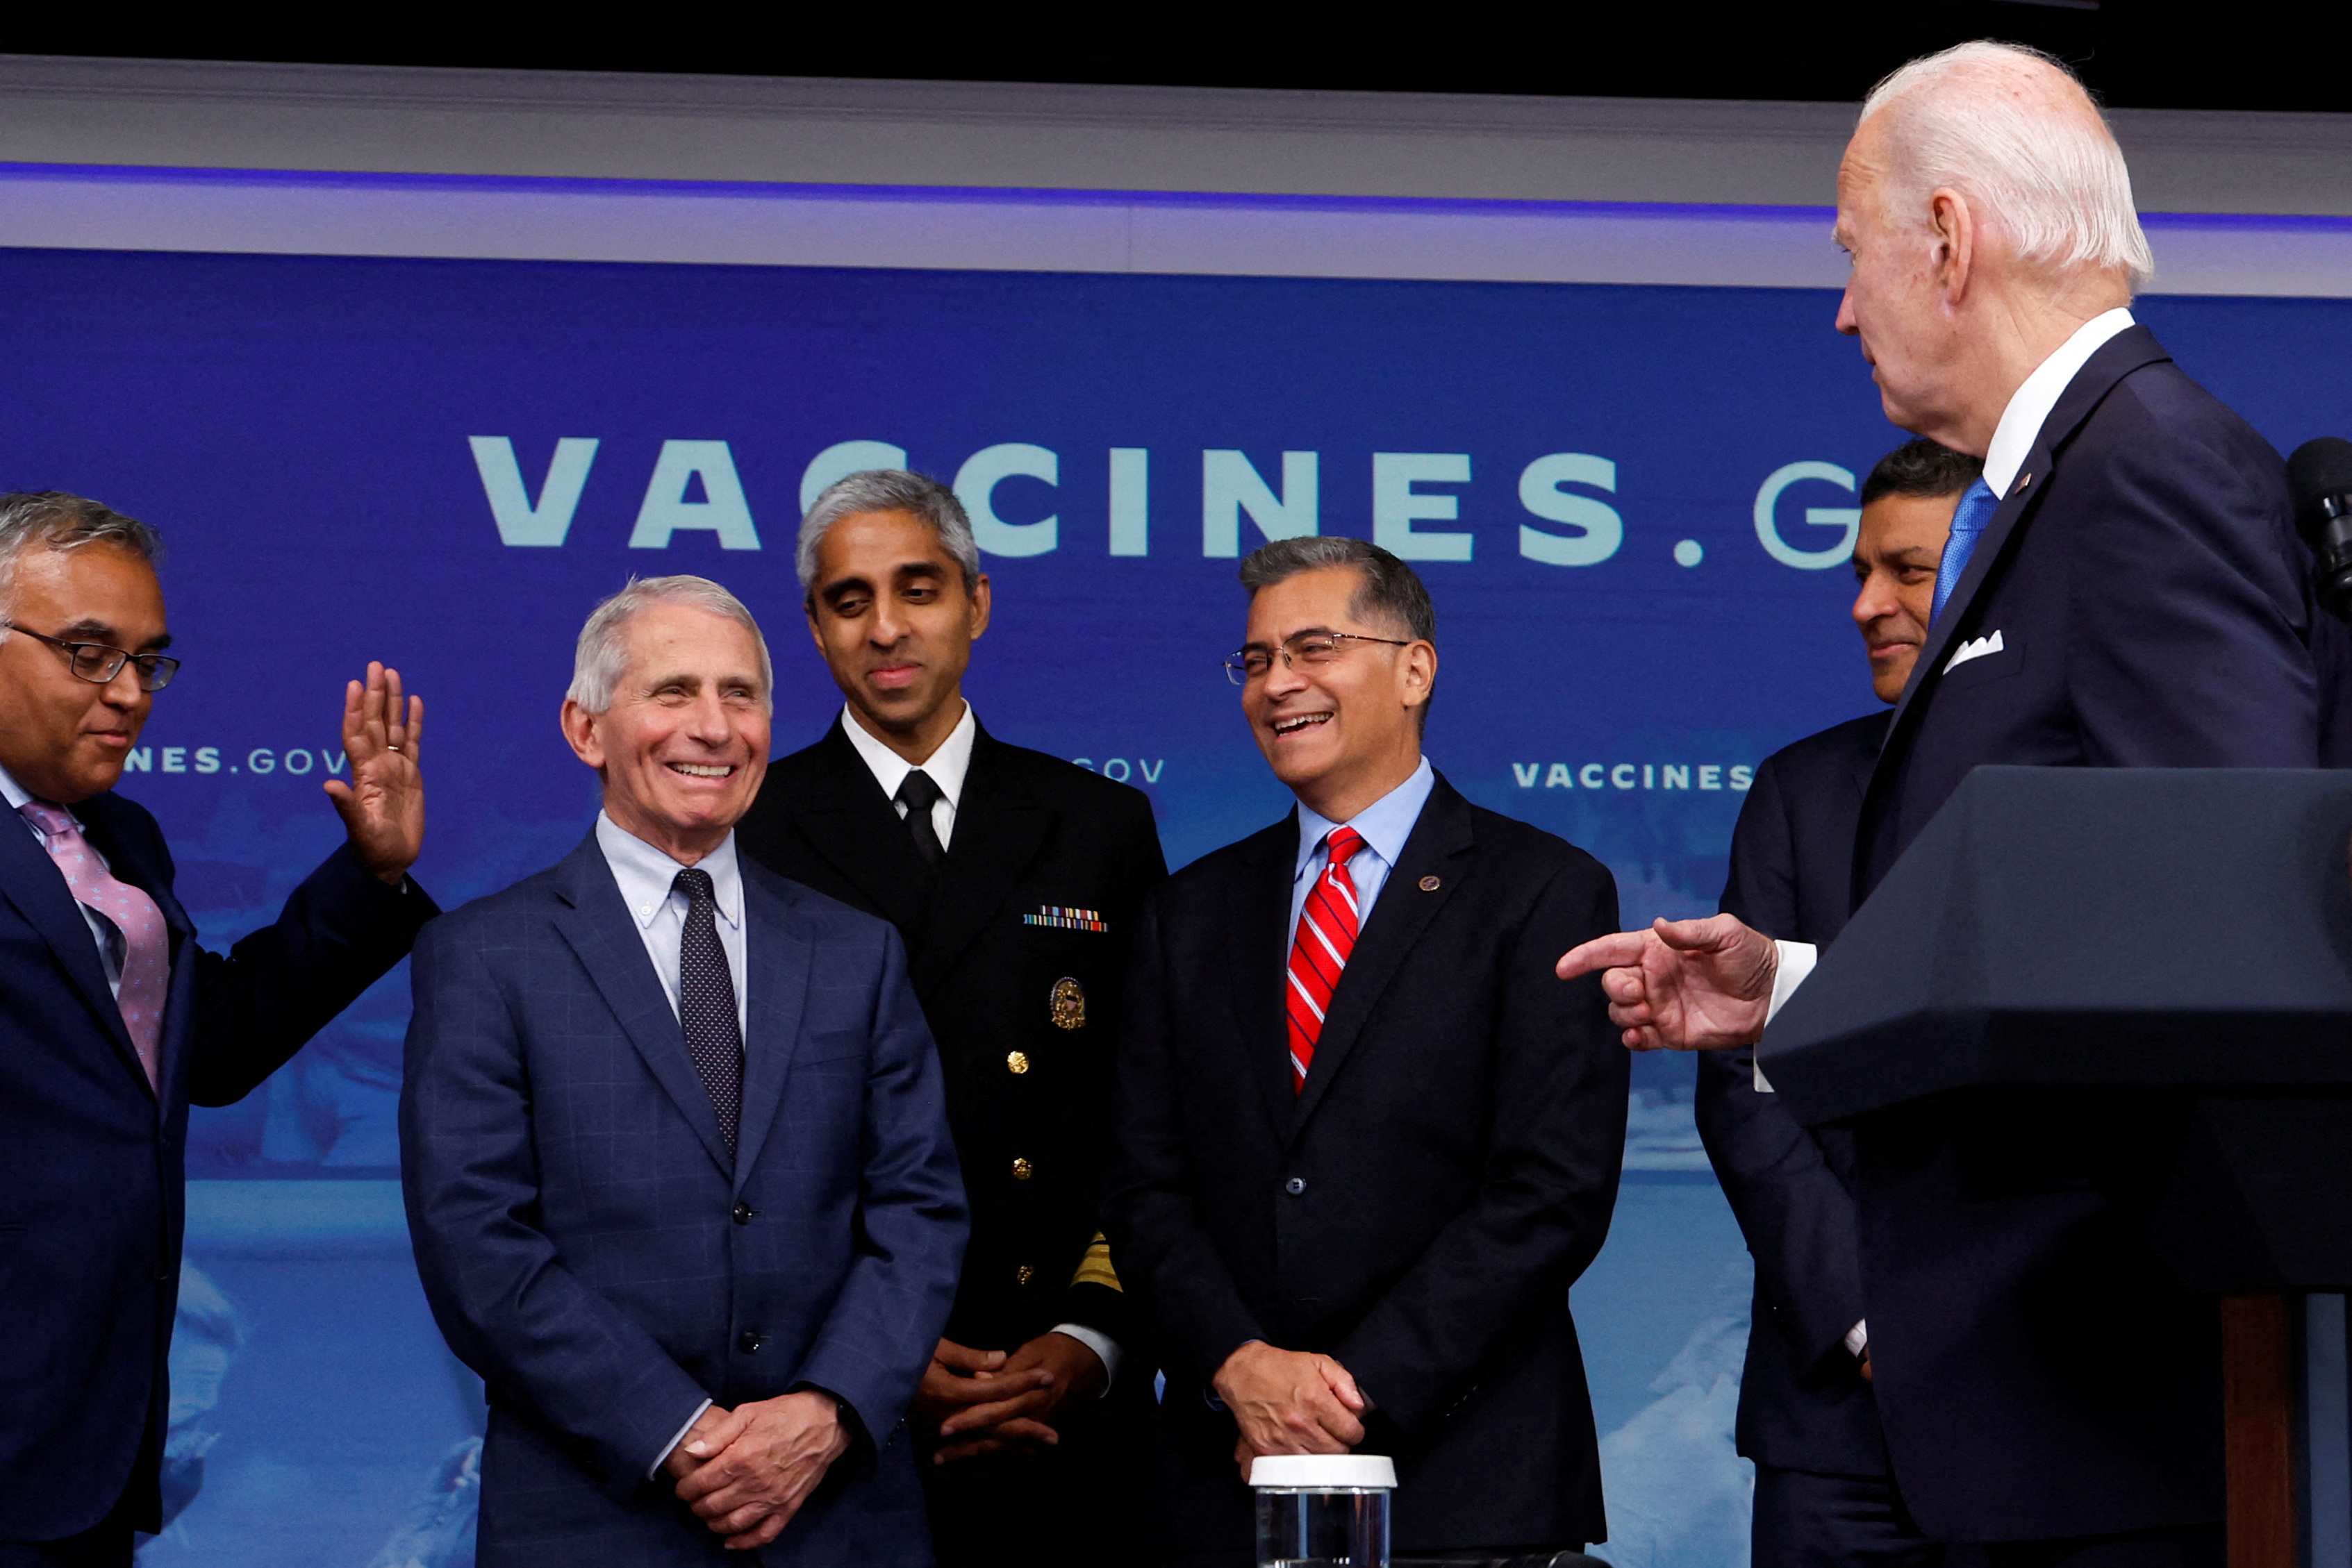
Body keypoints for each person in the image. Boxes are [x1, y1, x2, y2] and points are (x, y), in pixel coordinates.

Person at [1561, 41, 2335, 1565]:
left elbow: (2219, 935)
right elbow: (2086, 917)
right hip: (2036, 1411)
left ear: (1948, 237)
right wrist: (1787, 983)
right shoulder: (2058, 485)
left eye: (1853, 255)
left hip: (2109, 1405)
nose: (1845, 306)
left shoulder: (2148, 468)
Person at [399, 575, 968, 1566]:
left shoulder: (857, 951)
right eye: (673, 692)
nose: (714, 727)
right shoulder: (484, 955)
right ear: (586, 728)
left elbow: (919, 1213)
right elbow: (477, 1244)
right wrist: (682, 1431)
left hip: (835, 1514)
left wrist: (824, 1412)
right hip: (594, 1514)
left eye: (740, 694)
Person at [1104, 535, 1629, 1565]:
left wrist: (1349, 1391)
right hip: (1225, 1481)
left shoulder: (1542, 891)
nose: (1277, 684)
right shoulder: (1189, 912)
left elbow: (1549, 1189)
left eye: (1312, 647)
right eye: (1254, 661)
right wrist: (1239, 1367)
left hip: (1468, 1483)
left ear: (1414, 667)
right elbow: (1142, 1187)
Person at [734, 472, 1166, 1567]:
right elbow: (722, 1148)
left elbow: (1156, 1116)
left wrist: (1093, 1334)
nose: (886, 626)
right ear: (813, 629)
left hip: (1061, 1394)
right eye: (848, 599)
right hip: (831, 1412)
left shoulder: (1096, 822)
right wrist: (870, 1350)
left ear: (977, 600)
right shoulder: (751, 829)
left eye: (917, 588)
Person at [0, 491, 434, 1565]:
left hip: (95, 1422)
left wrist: (373, 876)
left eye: (150, 659)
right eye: (89, 652)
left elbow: (215, 1049)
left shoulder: (124, 836)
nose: (131, 693)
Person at [1695, 439, 1976, 1568]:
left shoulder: (2101, 786)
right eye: (1859, 571)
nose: (1866, 604)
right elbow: (1744, 1085)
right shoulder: (1797, 795)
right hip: (1837, 1426)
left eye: (1904, 570)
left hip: (2070, 1395)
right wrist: (1871, 1320)